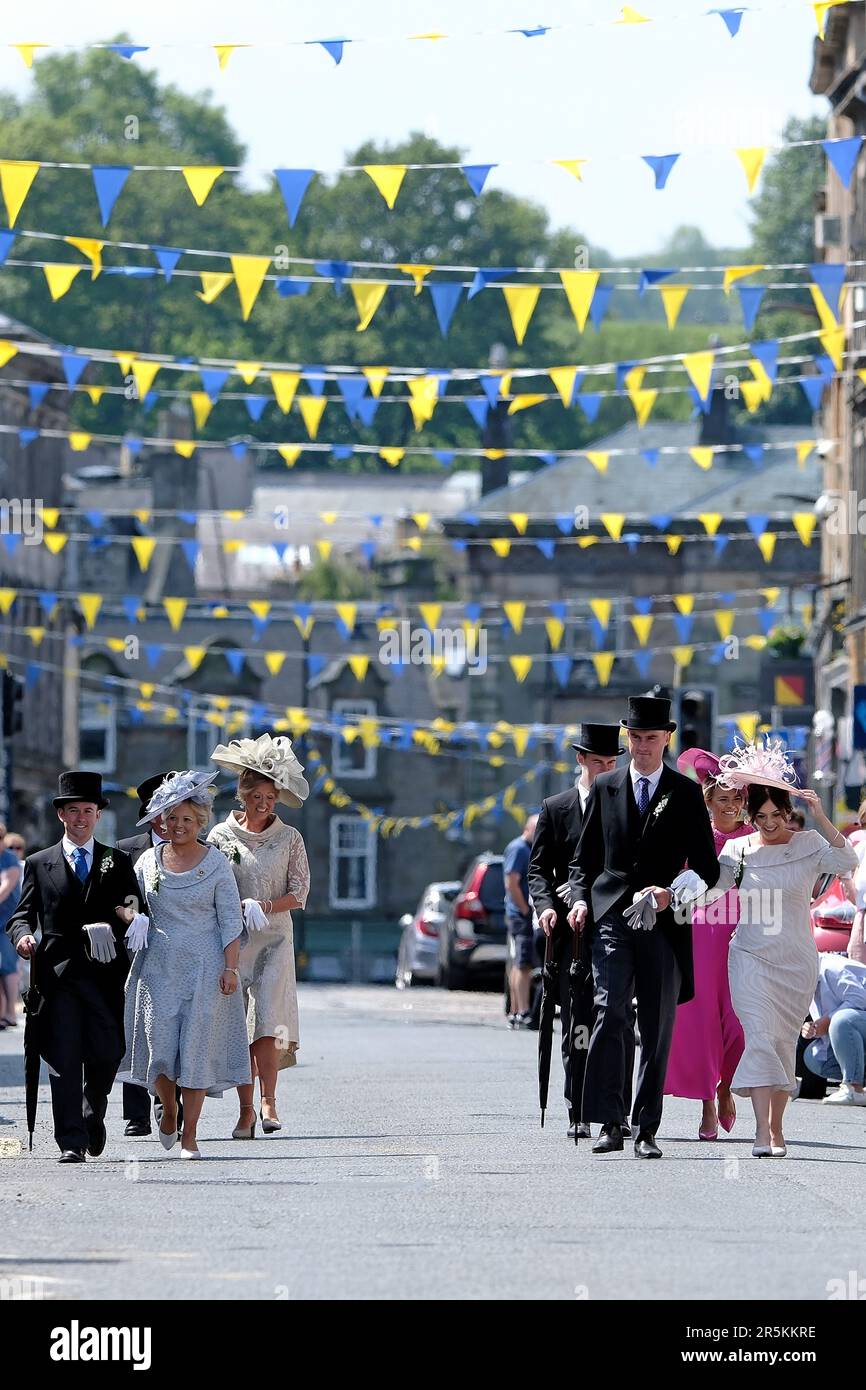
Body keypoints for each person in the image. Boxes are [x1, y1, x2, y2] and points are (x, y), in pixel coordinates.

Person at [567, 695, 721, 1159]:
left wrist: (670, 894)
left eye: (651, 738)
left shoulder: (686, 792)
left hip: (663, 920)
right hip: (613, 914)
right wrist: (577, 900)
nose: (642, 746)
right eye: (635, 737)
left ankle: (646, 1128)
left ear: (667, 739)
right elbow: (583, 862)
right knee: (610, 1010)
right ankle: (608, 1122)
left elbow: (709, 870)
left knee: (657, 1024)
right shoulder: (607, 786)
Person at [697, 739, 859, 1156]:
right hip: (748, 956)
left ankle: (777, 1129)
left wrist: (821, 815)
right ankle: (759, 1133)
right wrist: (675, 894)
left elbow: (847, 863)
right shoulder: (739, 849)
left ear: (789, 813)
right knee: (759, 1037)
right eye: (760, 816)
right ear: (750, 816)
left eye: (776, 815)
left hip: (795, 961)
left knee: (784, 1043)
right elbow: (713, 890)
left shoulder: (807, 845)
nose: (768, 823)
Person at [6, 772, 140, 1162]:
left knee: (108, 1052)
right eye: (73, 811)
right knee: (63, 1058)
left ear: (98, 814)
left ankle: (91, 1109)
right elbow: (20, 915)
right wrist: (22, 939)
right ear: (61, 815)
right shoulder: (38, 862)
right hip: (57, 976)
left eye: (88, 810)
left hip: (105, 973)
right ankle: (71, 1141)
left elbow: (135, 907)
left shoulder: (116, 861)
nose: (81, 818)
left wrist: (115, 921)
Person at [117, 770, 250, 1160]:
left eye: (186, 820)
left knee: (195, 1050)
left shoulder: (217, 864)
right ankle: (168, 1108)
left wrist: (230, 969)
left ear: (200, 822)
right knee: (158, 1048)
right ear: (160, 820)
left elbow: (229, 919)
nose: (177, 826)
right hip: (157, 966)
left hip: (206, 968)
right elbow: (129, 901)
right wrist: (130, 916)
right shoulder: (146, 862)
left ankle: (190, 1135)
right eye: (171, 818)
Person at [529, 722, 632, 1139]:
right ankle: (578, 1108)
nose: (605, 769)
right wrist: (545, 907)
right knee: (578, 1025)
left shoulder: (628, 804)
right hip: (571, 936)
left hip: (614, 927)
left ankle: (616, 1111)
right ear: (581, 761)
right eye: (597, 762)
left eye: (611, 762)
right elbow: (538, 870)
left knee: (618, 1020)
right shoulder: (557, 807)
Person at [208, 733, 310, 1138]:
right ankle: (245, 1110)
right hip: (233, 940)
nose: (264, 803)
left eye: (271, 796)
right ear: (243, 795)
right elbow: (210, 886)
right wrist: (234, 911)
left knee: (268, 1021)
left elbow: (299, 892)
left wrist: (264, 906)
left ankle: (270, 1101)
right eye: (257, 796)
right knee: (237, 1025)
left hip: (275, 939)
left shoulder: (289, 838)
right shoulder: (219, 837)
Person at [664, 749, 750, 1140]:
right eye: (722, 799)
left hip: (745, 935)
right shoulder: (693, 836)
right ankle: (708, 1103)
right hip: (700, 932)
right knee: (702, 1022)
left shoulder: (754, 838)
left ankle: (727, 1085)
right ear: (708, 801)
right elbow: (680, 887)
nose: (730, 806)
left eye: (736, 799)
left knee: (739, 1020)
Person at [116, 772, 182, 1138]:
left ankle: (169, 1104)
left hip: (180, 951)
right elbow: (115, 897)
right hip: (138, 951)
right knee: (137, 1028)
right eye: (164, 807)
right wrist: (130, 916)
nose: (170, 816)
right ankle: (136, 1113)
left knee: (174, 1030)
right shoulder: (127, 849)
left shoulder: (199, 846)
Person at [801, 954, 866, 1106]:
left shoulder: (832, 968)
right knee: (814, 1057)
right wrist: (811, 1028)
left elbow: (860, 999)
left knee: (841, 1020)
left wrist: (828, 1020)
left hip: (856, 1019)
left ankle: (853, 1088)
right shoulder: (809, 977)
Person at [503, 815, 539, 1029]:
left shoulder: (525, 848)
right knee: (523, 964)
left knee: (519, 963)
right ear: (528, 829)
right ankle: (523, 1010)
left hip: (519, 913)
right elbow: (512, 883)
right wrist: (525, 909)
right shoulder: (519, 848)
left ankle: (517, 1010)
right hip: (520, 915)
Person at [0, 823, 22, 1028]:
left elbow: (4, 890)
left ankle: (9, 1013)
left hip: (6, 921)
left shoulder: (9, 860)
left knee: (7, 966)